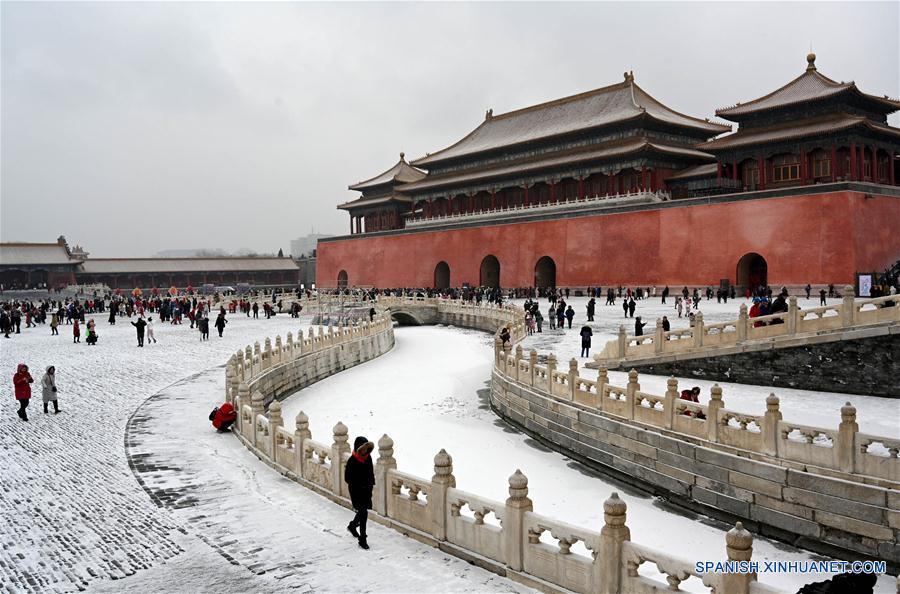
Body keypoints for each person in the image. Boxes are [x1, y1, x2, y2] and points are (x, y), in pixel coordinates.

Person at [344, 436, 375, 550]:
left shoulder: (368, 458)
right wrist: (359, 483)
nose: (364, 451)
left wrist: (370, 486)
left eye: (366, 448)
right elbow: (347, 478)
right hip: (356, 491)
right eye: (362, 448)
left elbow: (371, 473)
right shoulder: (352, 461)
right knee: (364, 512)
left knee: (363, 511)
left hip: (367, 490)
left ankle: (352, 526)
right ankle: (363, 539)